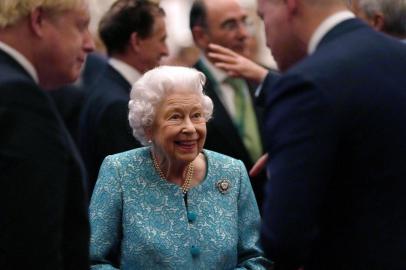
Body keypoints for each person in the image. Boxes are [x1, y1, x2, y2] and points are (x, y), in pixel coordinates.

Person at [256, 0, 406, 269]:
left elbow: (283, 239)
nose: (265, 38)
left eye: (262, 16)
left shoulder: (305, 84)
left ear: (290, 5)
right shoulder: (399, 56)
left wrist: (284, 169)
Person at [89, 65, 271, 269]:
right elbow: (93, 260)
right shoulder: (119, 171)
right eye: (175, 117)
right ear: (148, 126)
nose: (190, 128)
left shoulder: (232, 171)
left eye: (196, 115)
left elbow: (255, 258)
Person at [0, 0, 94, 268]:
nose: (90, 44)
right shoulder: (18, 97)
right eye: (80, 26)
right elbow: (30, 245)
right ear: (38, 20)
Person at [79, 0, 169, 194]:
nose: (166, 50)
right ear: (136, 41)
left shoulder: (109, 88)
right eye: (161, 40)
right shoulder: (118, 104)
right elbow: (132, 188)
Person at [189, 0, 267, 208]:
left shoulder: (268, 79)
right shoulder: (185, 92)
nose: (243, 34)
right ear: (201, 36)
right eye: (230, 25)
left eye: (245, 22)